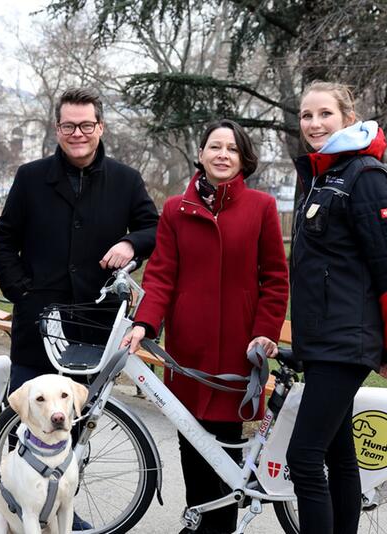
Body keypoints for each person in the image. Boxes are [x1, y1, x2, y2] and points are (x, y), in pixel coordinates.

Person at [122, 119, 290, 534]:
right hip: (188, 348)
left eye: (231, 149)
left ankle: (220, 526)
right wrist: (145, 323)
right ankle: (197, 518)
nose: (222, 155)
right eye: (215, 146)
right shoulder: (176, 210)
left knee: (225, 438)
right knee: (189, 436)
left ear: (243, 159)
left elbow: (275, 276)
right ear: (200, 154)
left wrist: (265, 329)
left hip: (238, 344)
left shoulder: (261, 208)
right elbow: (161, 275)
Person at [287, 81, 387, 533]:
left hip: (345, 341)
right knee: (338, 456)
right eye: (306, 115)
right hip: (323, 341)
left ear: (347, 117)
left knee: (303, 459)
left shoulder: (365, 176)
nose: (314, 123)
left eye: (325, 114)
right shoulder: (323, 174)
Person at [0, 87, 159, 392]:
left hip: (95, 325)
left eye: (86, 125)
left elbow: (155, 229)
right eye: (68, 126)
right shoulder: (30, 177)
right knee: (25, 426)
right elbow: (2, 241)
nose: (77, 133)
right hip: (38, 324)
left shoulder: (126, 180)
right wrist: (23, 294)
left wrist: (130, 243)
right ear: (57, 130)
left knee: (79, 426)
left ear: (100, 128)